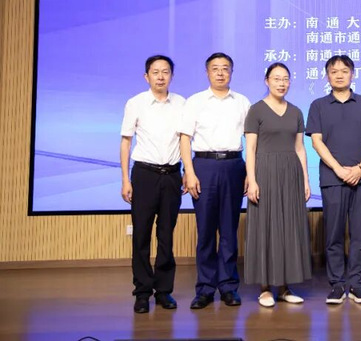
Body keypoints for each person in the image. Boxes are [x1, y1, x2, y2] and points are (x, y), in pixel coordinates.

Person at [180, 52, 251, 309]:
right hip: (204, 166)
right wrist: (189, 172)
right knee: (206, 230)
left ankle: (229, 287)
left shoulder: (242, 102)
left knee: (230, 230)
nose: (220, 73)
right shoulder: (195, 101)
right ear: (207, 72)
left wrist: (249, 173)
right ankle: (205, 288)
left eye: (225, 68)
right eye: (215, 68)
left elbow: (251, 140)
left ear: (231, 72)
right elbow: (185, 138)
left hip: (234, 165)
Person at [306, 55, 361, 305]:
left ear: (352, 74)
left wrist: (360, 168)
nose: (339, 75)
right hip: (332, 178)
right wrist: (338, 169)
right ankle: (337, 284)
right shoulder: (318, 105)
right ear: (327, 76)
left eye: (344, 71)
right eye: (334, 71)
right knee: (334, 235)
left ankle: (356, 284)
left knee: (359, 235)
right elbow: (316, 141)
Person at [120, 55, 185, 314]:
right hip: (144, 175)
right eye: (155, 72)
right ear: (146, 76)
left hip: (172, 175)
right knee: (141, 235)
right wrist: (125, 179)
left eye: (165, 71)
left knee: (166, 235)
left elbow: (185, 141)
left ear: (171, 76)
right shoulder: (135, 103)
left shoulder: (181, 103)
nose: (160, 76)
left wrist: (187, 172)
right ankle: (142, 292)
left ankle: (164, 291)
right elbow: (126, 142)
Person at [243, 62, 312, 308]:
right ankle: (265, 289)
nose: (281, 83)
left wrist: (305, 180)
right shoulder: (256, 110)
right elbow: (250, 149)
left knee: (289, 228)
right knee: (265, 227)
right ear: (267, 81)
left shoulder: (296, 111)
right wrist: (252, 180)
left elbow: (300, 148)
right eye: (276, 78)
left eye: (285, 79)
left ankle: (284, 287)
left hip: (291, 173)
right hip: (265, 172)